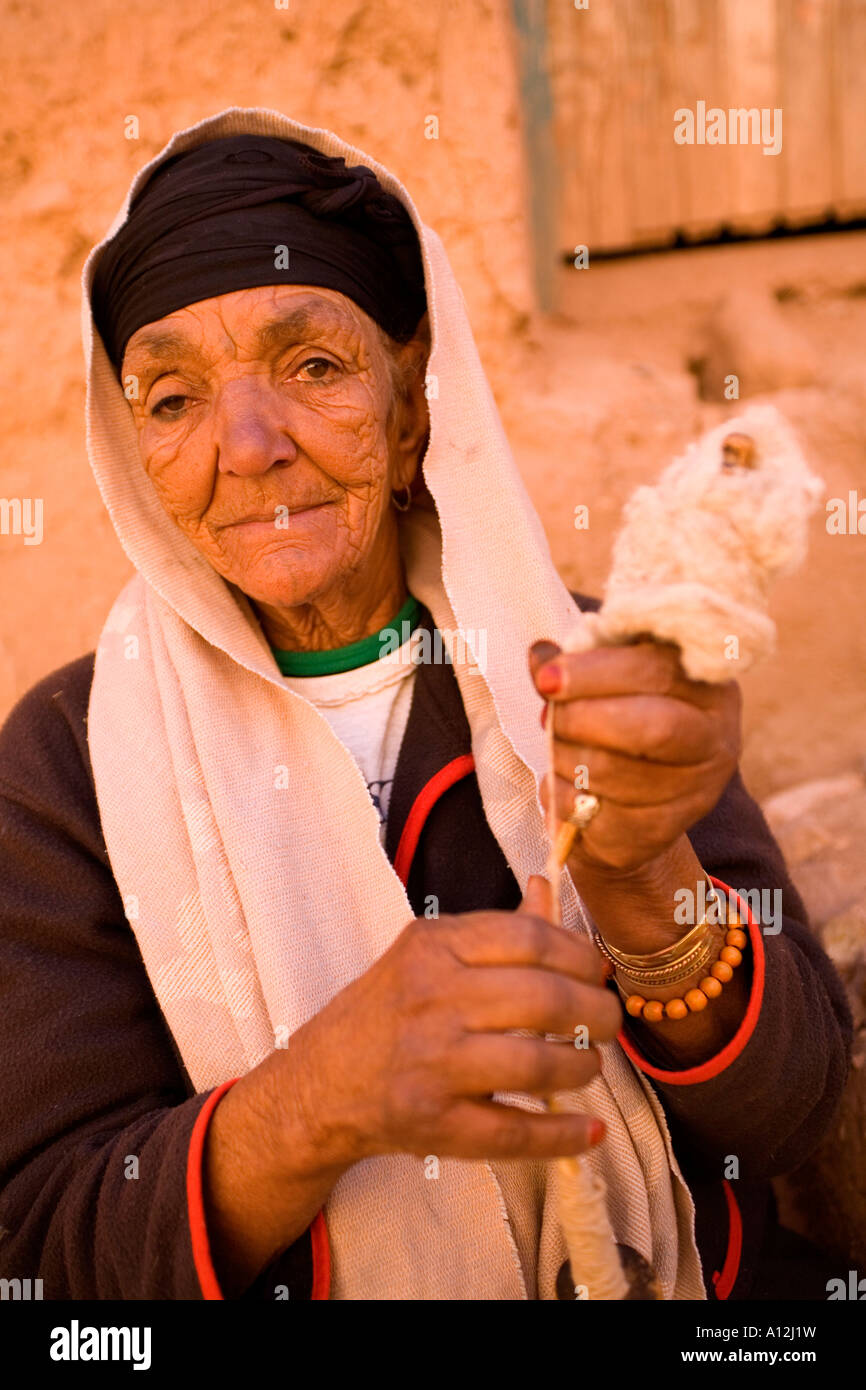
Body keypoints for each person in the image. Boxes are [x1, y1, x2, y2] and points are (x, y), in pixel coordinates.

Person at [0, 109, 851, 1301]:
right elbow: (42, 1247)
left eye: (310, 367)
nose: (246, 447)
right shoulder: (67, 763)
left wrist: (644, 878)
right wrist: (318, 1099)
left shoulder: (588, 666)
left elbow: (794, 1107)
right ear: (131, 451)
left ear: (409, 413)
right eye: (173, 398)